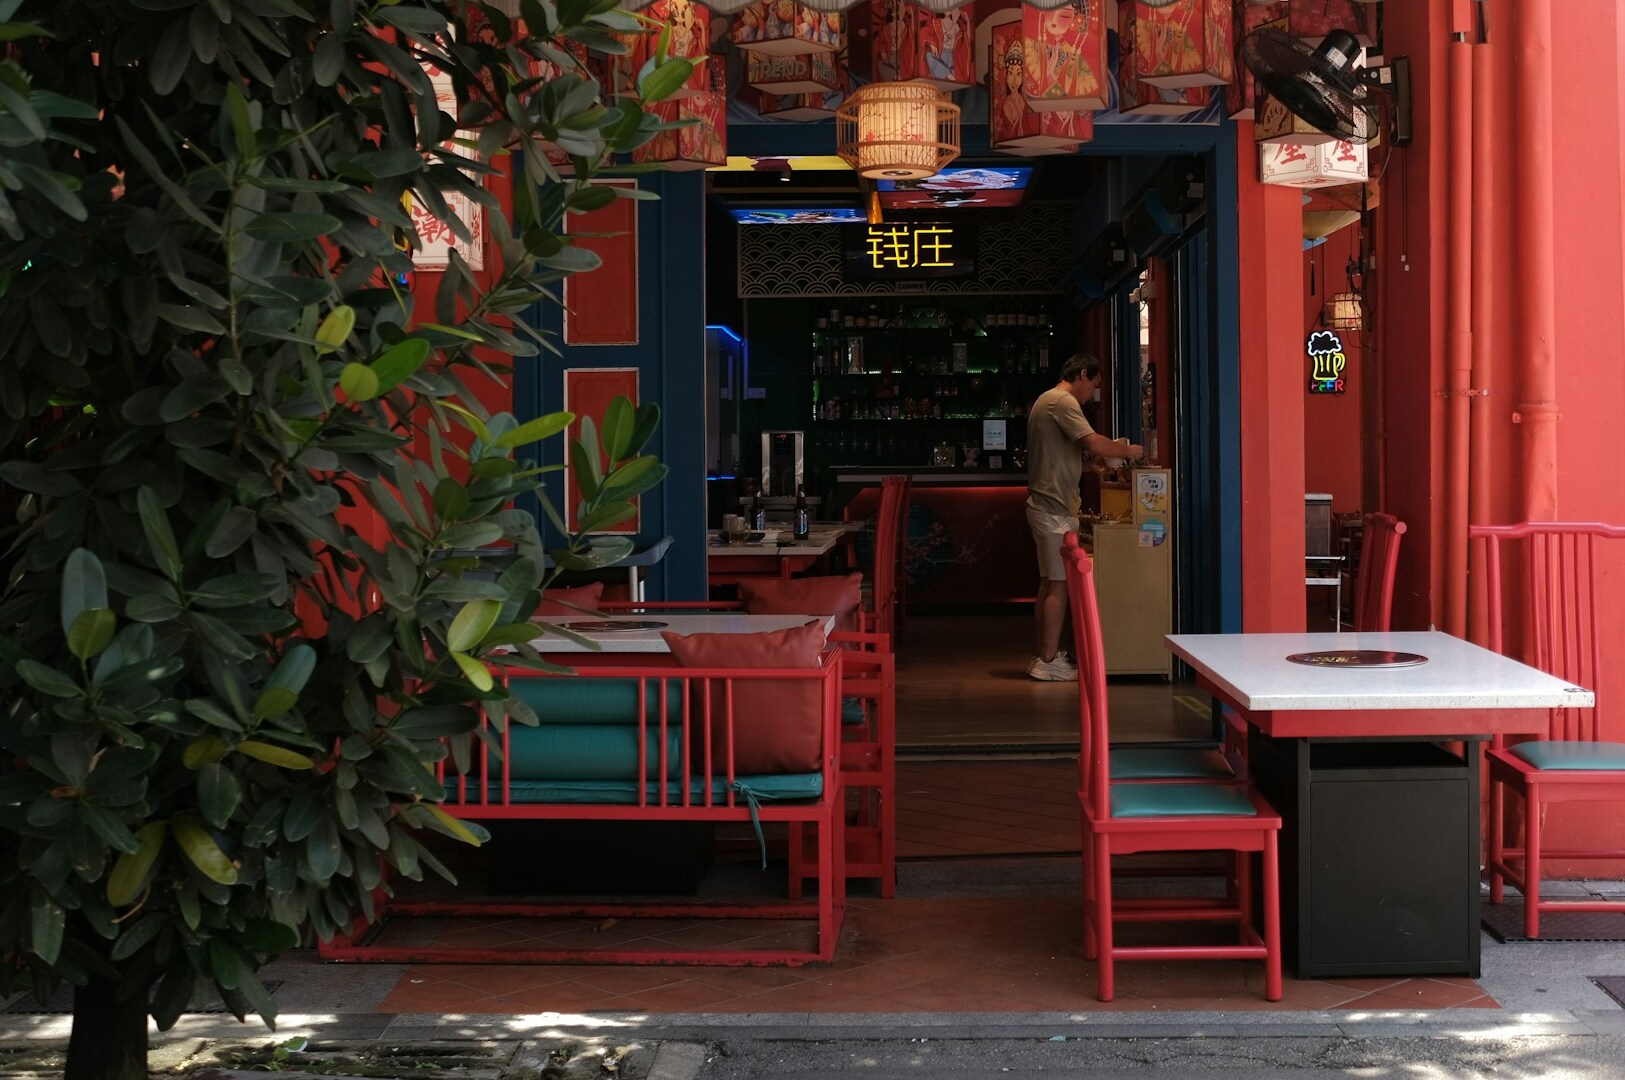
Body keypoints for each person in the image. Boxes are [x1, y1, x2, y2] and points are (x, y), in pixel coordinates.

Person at [1024, 354, 1143, 681]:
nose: (1092, 394)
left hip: (1047, 505)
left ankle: (1044, 656)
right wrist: (1130, 451)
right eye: (1093, 385)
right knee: (1059, 584)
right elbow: (1091, 441)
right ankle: (1047, 662)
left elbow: (1062, 455)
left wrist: (1087, 466)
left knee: (1050, 582)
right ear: (1082, 374)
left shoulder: (1047, 401)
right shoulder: (1061, 401)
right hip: (1054, 509)